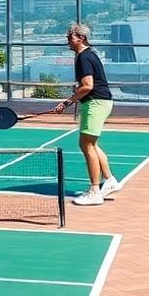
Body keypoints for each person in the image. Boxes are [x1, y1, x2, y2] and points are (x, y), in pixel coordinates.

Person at [55, 23, 119, 206]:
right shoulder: (89, 54)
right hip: (102, 102)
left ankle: (94, 191)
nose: (67, 41)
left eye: (70, 37)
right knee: (92, 144)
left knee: (86, 145)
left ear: (81, 38)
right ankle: (110, 180)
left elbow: (88, 86)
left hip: (95, 103)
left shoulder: (84, 57)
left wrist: (67, 102)